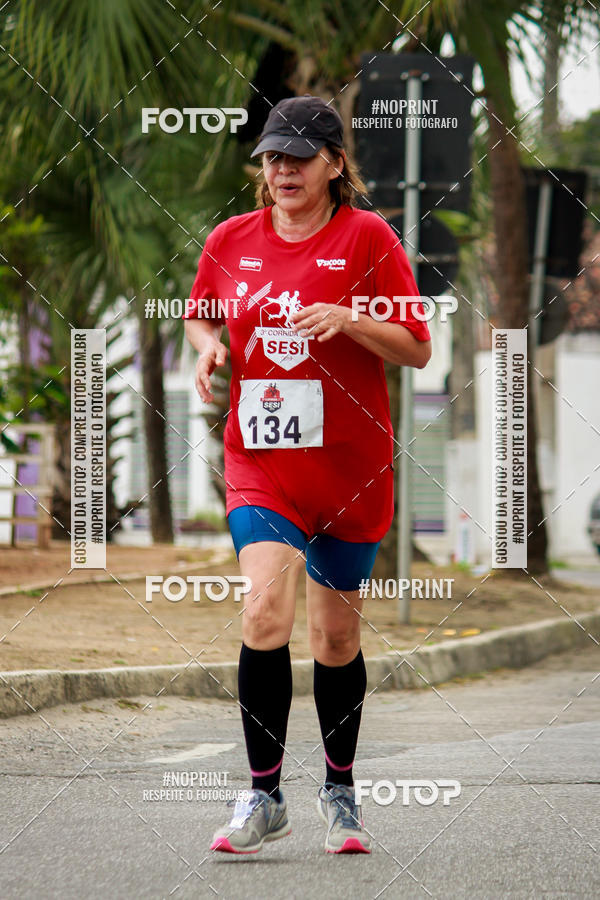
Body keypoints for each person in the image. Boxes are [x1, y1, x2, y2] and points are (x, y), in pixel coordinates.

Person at [183, 95, 431, 855]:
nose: (283, 169)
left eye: (298, 157)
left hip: (351, 470)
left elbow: (417, 347)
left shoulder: (368, 238)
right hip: (263, 462)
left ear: (334, 164)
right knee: (264, 612)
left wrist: (350, 319)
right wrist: (208, 345)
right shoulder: (231, 238)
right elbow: (200, 310)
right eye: (272, 157)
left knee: (335, 636)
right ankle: (263, 797)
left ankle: (340, 792)